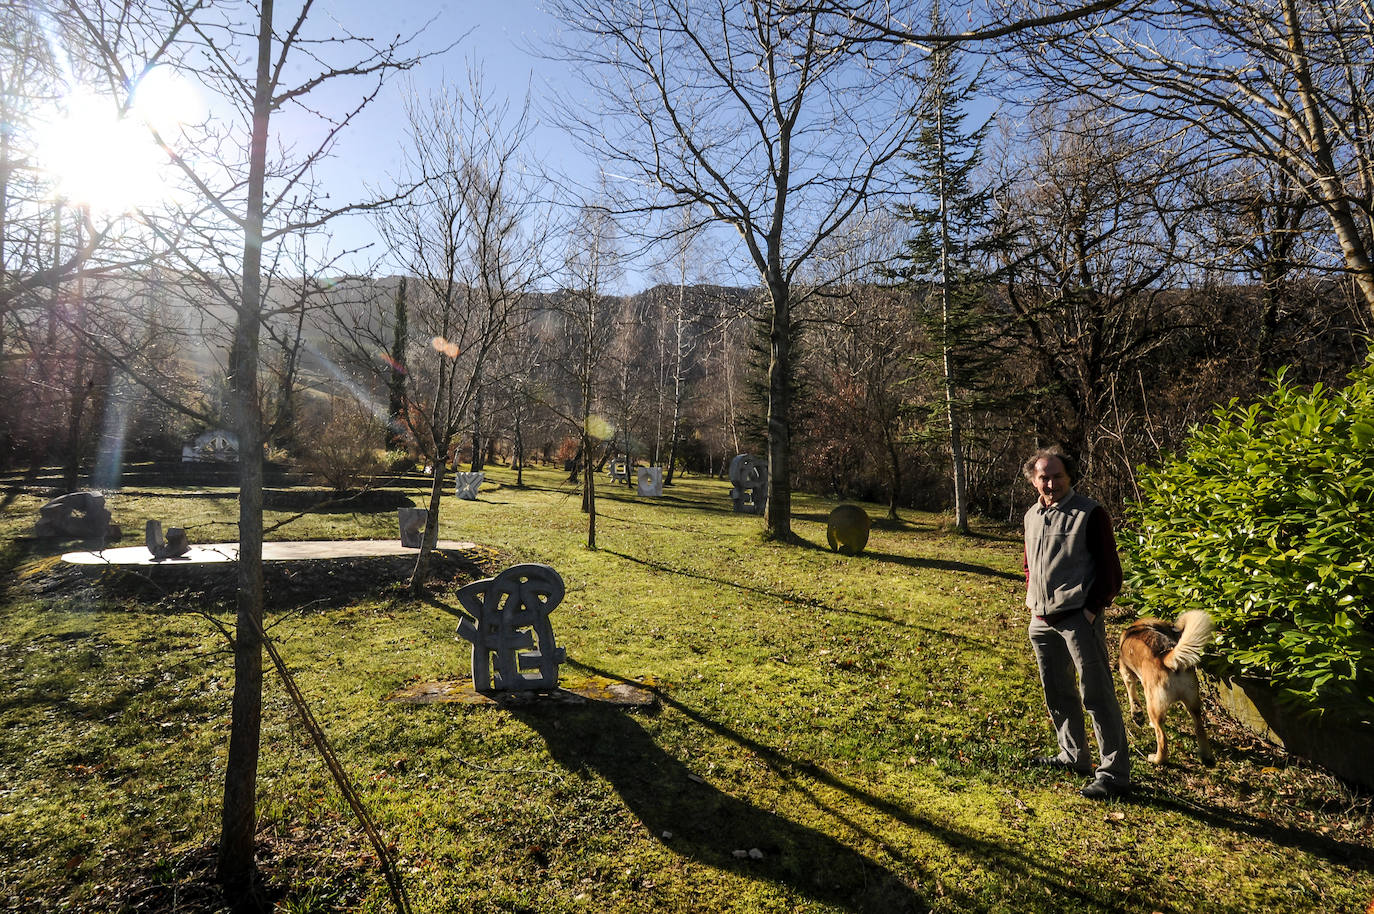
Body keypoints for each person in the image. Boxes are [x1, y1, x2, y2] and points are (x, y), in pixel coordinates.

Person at [1022, 446, 1130, 800]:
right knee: (1058, 692)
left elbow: (1111, 572)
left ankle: (1113, 773)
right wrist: (1034, 599)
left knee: (1096, 694)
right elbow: (1029, 565)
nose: (1050, 483)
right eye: (1044, 477)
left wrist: (1091, 608)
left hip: (1079, 619)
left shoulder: (1090, 513)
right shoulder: (1031, 516)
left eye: (1057, 476)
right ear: (1033, 480)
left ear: (1070, 478)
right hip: (1041, 620)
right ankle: (1073, 755)